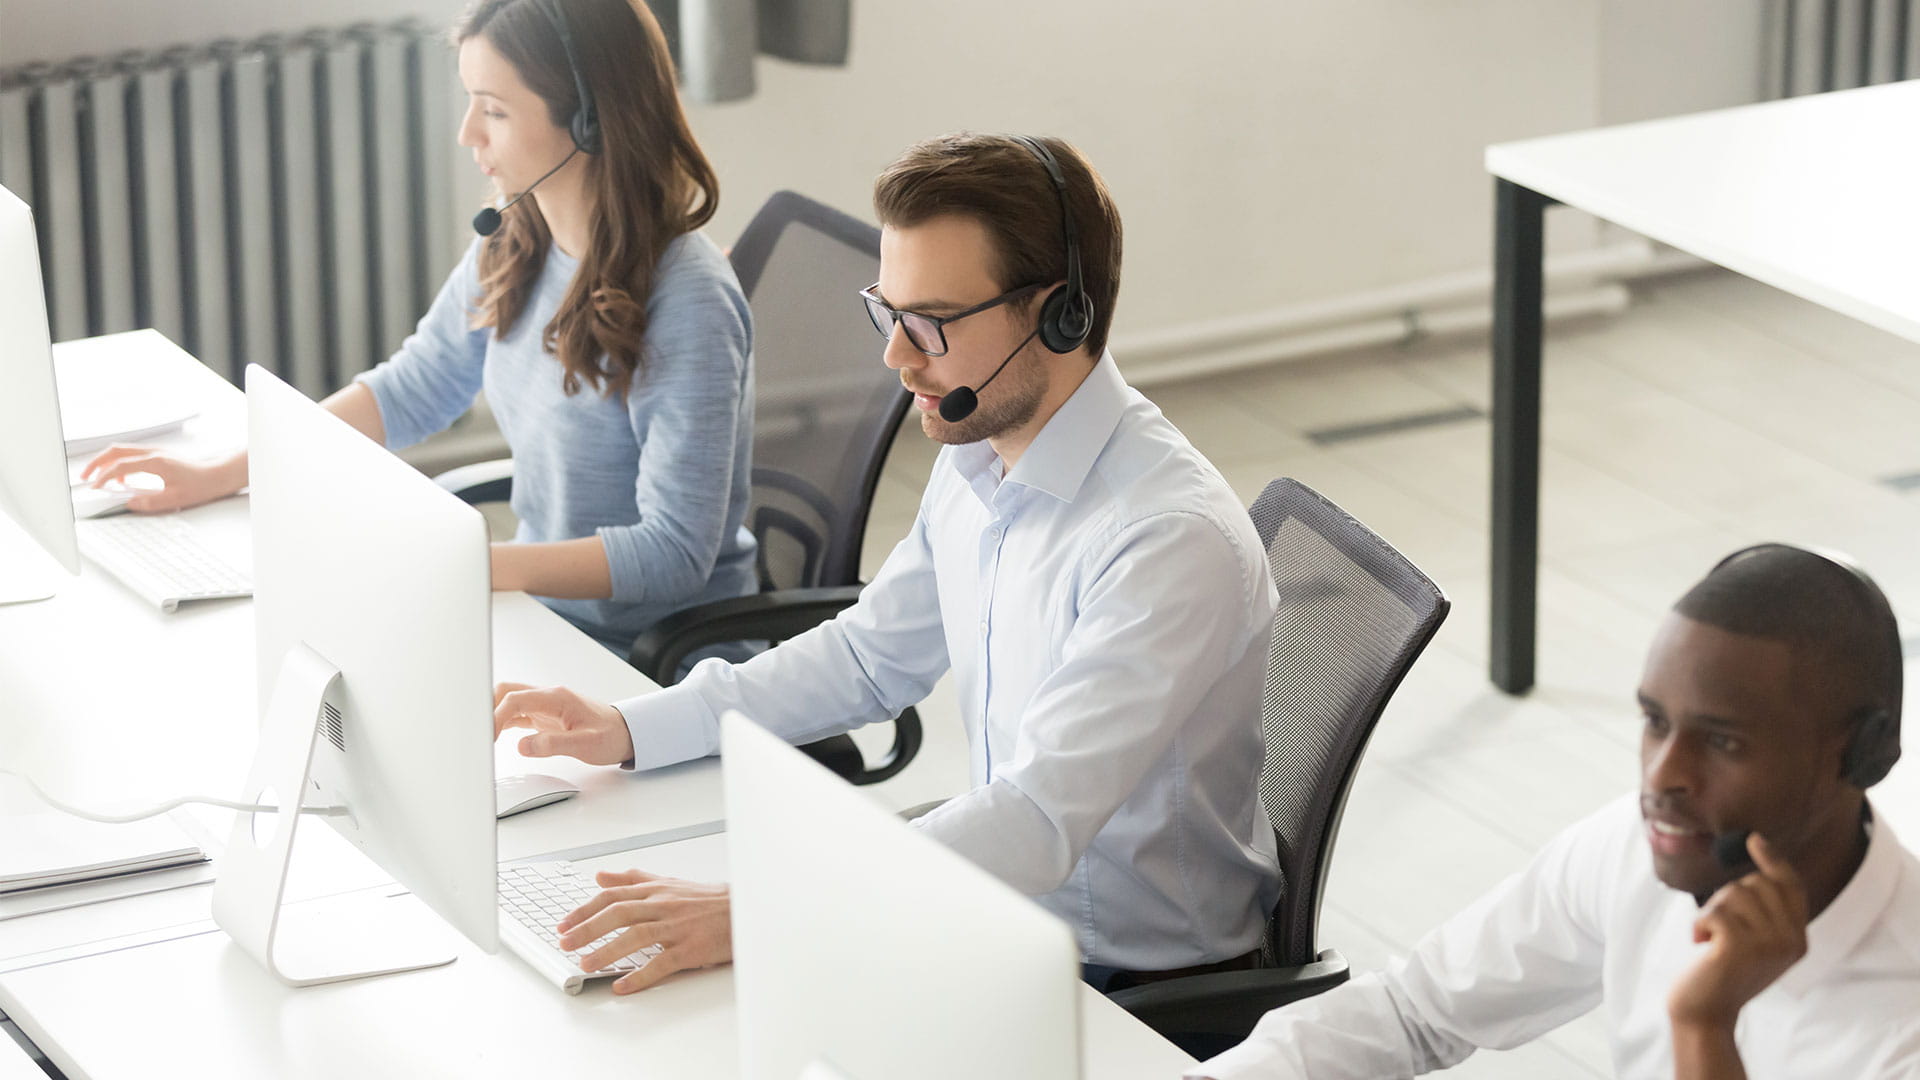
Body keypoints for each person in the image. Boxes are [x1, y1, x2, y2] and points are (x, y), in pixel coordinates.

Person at [492, 131, 1284, 994]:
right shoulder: (981, 455)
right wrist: (636, 726)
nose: (896, 357)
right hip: (1004, 919)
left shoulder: (1165, 539)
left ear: (1062, 314)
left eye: (931, 324)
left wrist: (757, 906)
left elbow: (1036, 819)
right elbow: (870, 656)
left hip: (1123, 988)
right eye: (889, 312)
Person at [81, 0, 757, 654]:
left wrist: (479, 568)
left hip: (654, 657)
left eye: (494, 110)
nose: (468, 133)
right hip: (542, 623)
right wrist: (223, 473)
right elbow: (416, 385)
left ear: (588, 120)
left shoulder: (687, 299)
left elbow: (675, 551)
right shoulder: (518, 236)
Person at [1191, 543, 1920, 1080]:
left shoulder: (1904, 1024)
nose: (1663, 779)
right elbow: (1415, 1011)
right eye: (1655, 722)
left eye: (1723, 741)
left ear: (1861, 754)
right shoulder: (1641, 846)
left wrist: (1705, 1023)